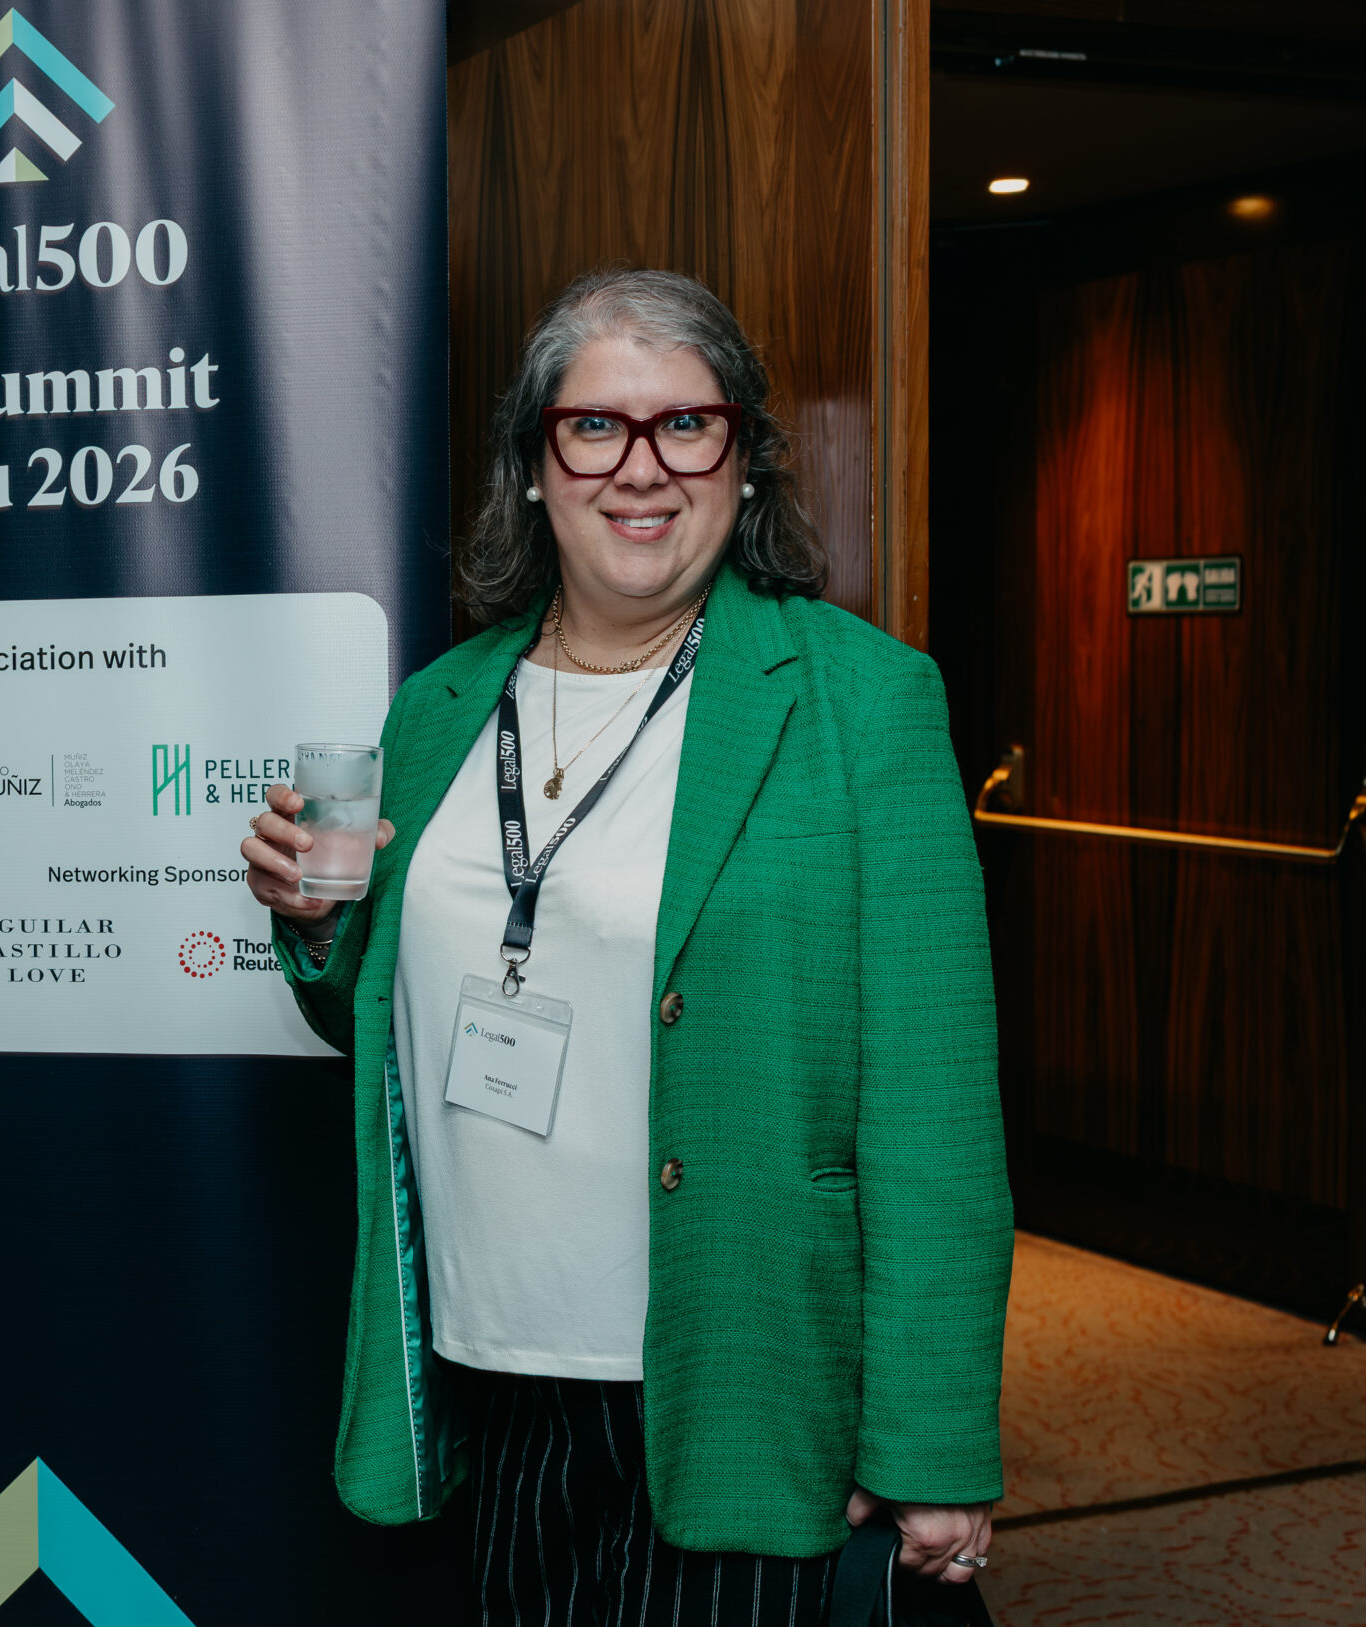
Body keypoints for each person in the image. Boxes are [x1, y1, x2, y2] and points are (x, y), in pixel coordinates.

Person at [243, 267, 1011, 1624]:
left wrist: (932, 1444)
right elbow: (384, 1022)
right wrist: (315, 926)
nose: (640, 468)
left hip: (741, 1382)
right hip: (491, 1377)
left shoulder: (863, 703)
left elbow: (934, 1113)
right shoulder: (439, 709)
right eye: (594, 427)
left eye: (686, 425)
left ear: (744, 461)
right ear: (535, 467)